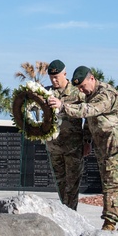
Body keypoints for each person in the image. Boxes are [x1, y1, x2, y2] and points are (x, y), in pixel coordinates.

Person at [48, 66, 118, 232]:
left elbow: (90, 110)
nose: (81, 90)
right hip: (104, 148)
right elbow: (90, 121)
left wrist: (63, 106)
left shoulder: (106, 93)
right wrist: (87, 140)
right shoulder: (91, 95)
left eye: (82, 86)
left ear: (92, 79)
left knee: (112, 185)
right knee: (116, 184)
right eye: (79, 88)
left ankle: (109, 224)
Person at [43, 59, 87, 210]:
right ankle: (65, 211)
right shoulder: (47, 92)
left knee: (72, 183)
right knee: (60, 182)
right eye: (51, 78)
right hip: (54, 147)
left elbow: (88, 115)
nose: (54, 80)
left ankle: (71, 214)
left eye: (57, 77)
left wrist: (87, 142)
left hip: (73, 146)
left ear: (65, 74)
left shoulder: (77, 92)